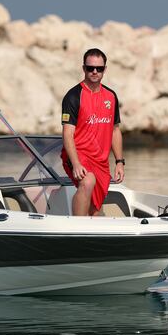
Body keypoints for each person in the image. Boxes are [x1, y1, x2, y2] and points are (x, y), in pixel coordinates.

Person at [60, 48, 125, 216]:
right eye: (90, 68)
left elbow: (115, 130)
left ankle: (92, 234)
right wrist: (75, 163)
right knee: (87, 181)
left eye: (99, 68)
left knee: (96, 210)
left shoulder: (111, 96)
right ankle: (77, 229)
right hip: (77, 154)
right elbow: (67, 134)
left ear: (105, 69)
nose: (94, 72)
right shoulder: (73, 96)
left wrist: (119, 161)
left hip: (101, 161)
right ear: (84, 69)